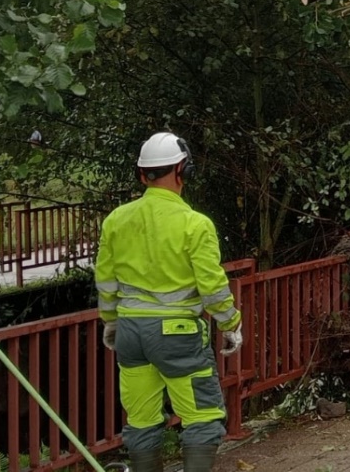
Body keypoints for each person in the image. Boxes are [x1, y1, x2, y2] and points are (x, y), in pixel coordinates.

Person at [95, 132, 243, 472]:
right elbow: (212, 286)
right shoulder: (195, 224)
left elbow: (105, 279)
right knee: (202, 415)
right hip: (177, 335)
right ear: (182, 170)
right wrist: (230, 324)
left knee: (142, 419)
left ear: (141, 174)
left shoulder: (117, 220)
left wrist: (111, 320)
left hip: (130, 334)